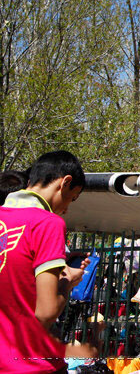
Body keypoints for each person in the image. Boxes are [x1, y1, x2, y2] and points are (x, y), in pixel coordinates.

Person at [0, 150, 93, 373]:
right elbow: (46, 311)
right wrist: (67, 283)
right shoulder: (48, 223)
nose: (67, 208)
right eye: (72, 198)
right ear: (65, 182)